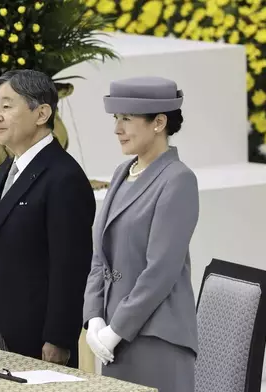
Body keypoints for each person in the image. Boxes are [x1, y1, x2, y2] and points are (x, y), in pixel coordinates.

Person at [82, 76, 199, 391]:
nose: (117, 129)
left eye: (127, 119)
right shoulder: (123, 173)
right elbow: (100, 255)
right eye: (116, 118)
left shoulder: (178, 180)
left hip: (156, 339)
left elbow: (161, 270)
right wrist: (94, 317)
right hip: (114, 340)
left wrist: (116, 328)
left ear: (159, 122)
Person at [0, 69, 96, 368]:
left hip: (35, 336)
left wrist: (58, 337)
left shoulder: (64, 177)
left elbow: (71, 266)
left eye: (7, 106)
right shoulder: (6, 168)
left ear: (41, 113)